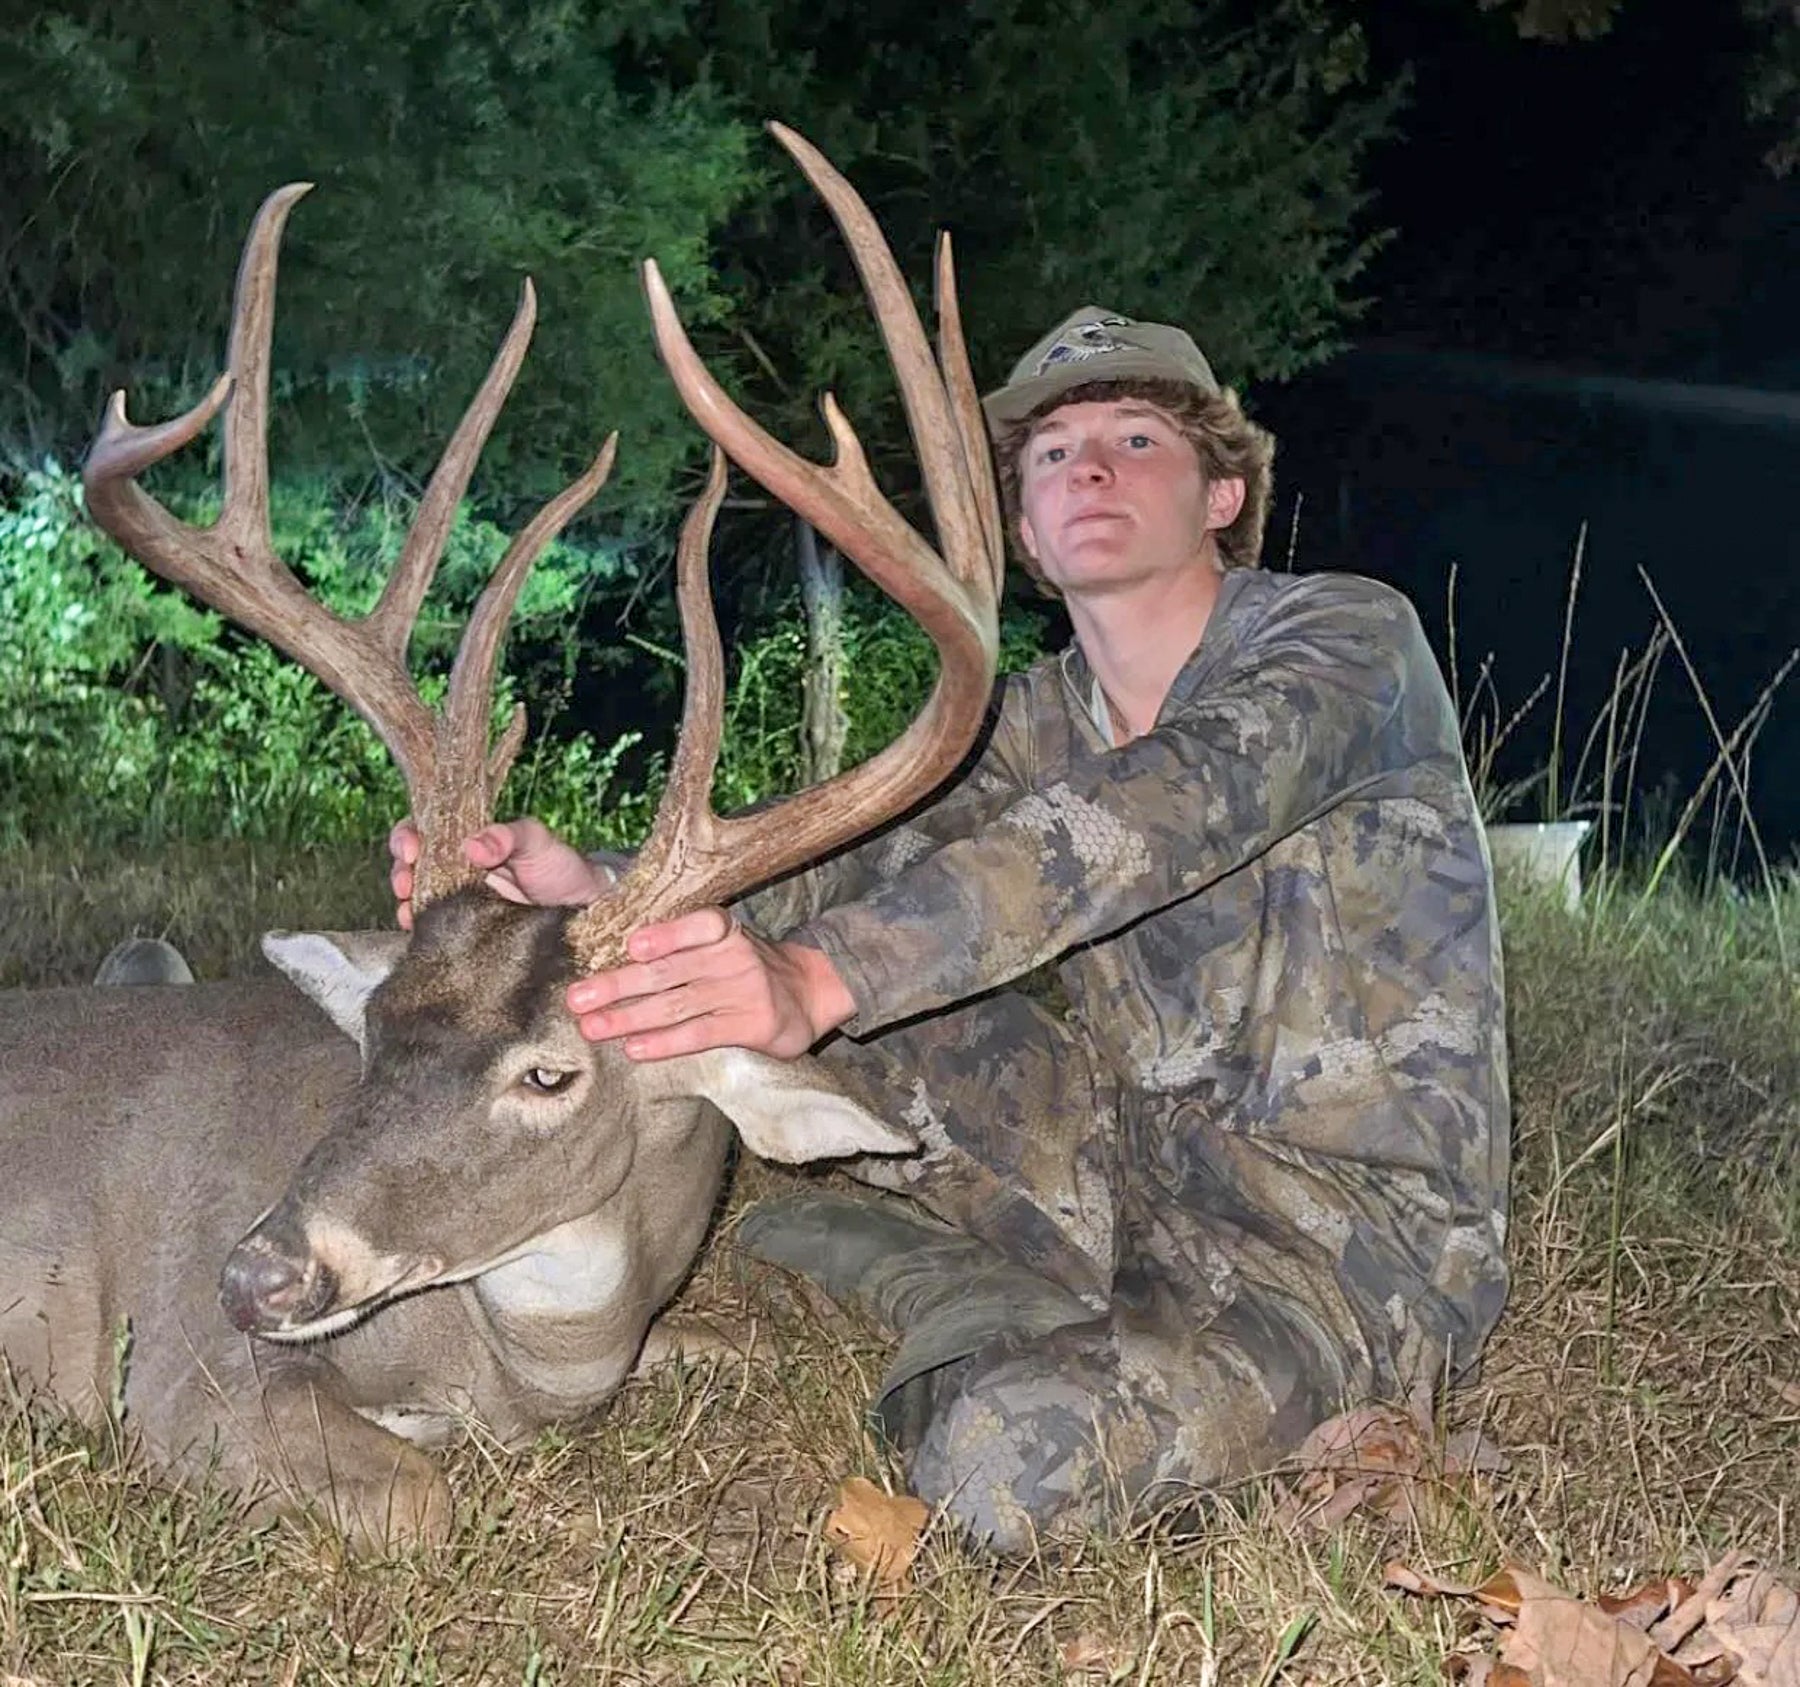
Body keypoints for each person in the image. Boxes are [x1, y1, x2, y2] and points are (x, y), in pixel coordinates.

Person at [390, 306, 1510, 1550]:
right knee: (715, 999)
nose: (1088, 466)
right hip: (1126, 1170)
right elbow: (845, 864)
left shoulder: (1348, 639)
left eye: (1137, 438)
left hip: (1352, 1253)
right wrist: (591, 894)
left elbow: (1154, 813)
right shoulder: (1035, 718)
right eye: (1051, 453)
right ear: (1024, 528)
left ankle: (995, 1308)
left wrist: (823, 974)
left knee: (993, 1463)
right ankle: (1043, 1295)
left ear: (1222, 492)